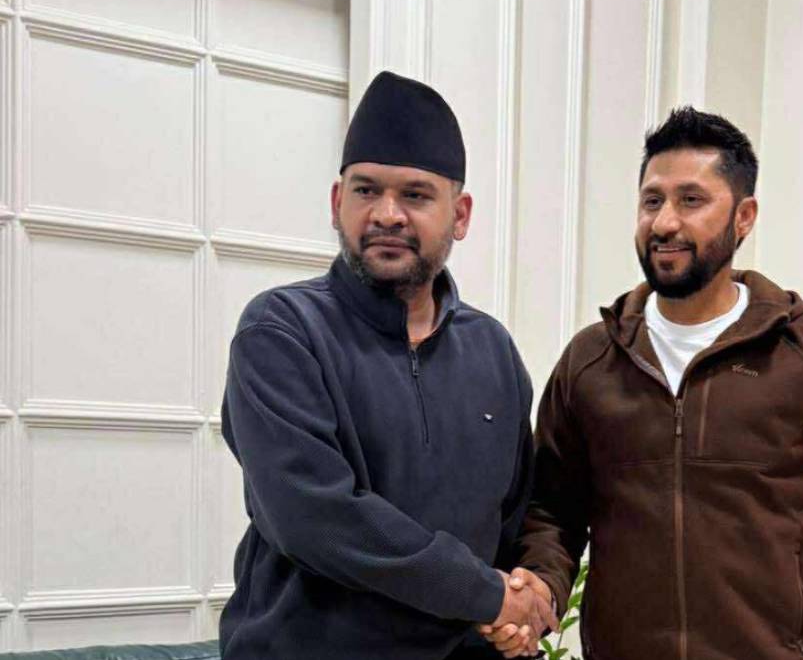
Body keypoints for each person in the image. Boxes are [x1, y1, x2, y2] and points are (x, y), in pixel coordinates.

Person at [487, 107, 803, 659]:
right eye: (652, 200)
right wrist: (539, 591)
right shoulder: (590, 361)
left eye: (691, 200)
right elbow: (551, 515)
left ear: (744, 215)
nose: (664, 223)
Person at [218, 71, 555, 660]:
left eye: (416, 195)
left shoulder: (493, 351)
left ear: (461, 214)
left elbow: (515, 513)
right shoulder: (281, 331)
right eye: (366, 190)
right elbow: (317, 520)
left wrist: (525, 600)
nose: (388, 214)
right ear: (335, 202)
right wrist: (488, 595)